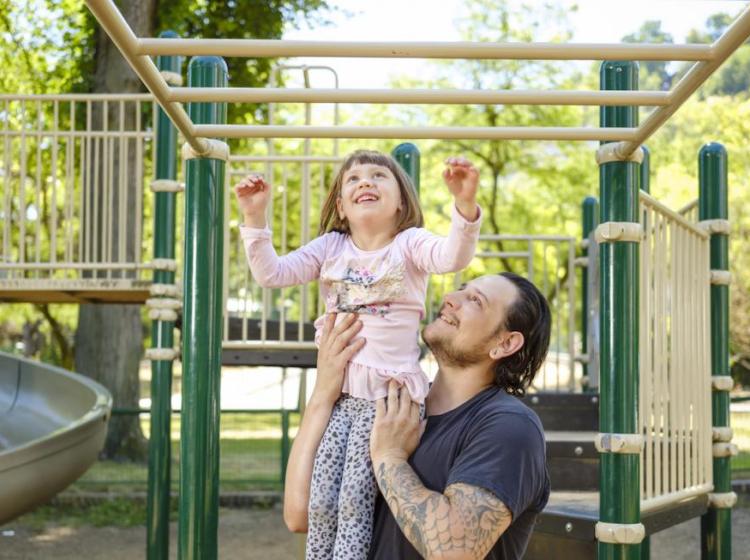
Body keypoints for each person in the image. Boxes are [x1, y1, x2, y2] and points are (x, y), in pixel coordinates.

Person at [234, 150, 483, 559]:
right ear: (341, 207)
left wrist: (465, 205)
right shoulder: (330, 248)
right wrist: (254, 219)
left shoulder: (409, 245)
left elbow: (452, 256)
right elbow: (272, 273)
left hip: (386, 403)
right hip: (341, 401)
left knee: (354, 500)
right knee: (320, 501)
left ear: (401, 200)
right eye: (353, 180)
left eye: (378, 176)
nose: (365, 182)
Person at [284, 272, 551, 560]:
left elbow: (454, 551)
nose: (451, 298)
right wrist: (323, 394)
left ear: (505, 343)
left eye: (475, 300)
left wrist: (390, 458)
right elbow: (300, 515)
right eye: (462, 289)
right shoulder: (392, 405)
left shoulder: (509, 427)